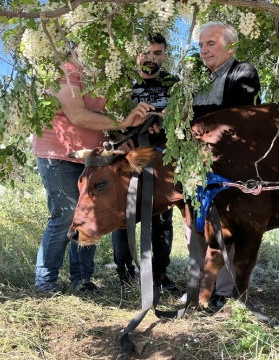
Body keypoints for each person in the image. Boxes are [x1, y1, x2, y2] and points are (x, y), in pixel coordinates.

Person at [33, 59, 156, 294]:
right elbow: (77, 115)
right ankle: (45, 280)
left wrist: (125, 131)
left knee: (91, 212)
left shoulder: (108, 70)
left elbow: (106, 118)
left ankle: (81, 279)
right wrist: (123, 121)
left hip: (94, 156)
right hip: (58, 152)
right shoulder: (65, 67)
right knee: (66, 214)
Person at [190, 22, 261, 306]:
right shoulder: (198, 78)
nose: (204, 51)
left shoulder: (243, 72)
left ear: (230, 45)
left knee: (230, 226)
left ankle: (225, 293)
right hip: (198, 164)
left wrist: (190, 112)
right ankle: (200, 288)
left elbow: (236, 114)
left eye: (211, 44)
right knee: (199, 225)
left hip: (232, 166)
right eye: (201, 45)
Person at [111, 33, 180, 291]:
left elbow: (183, 117)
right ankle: (125, 274)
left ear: (164, 55)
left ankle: (159, 275)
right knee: (124, 214)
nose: (151, 58)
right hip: (128, 155)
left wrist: (164, 121)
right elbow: (110, 118)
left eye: (157, 53)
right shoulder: (122, 82)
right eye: (146, 52)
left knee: (162, 215)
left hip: (163, 156)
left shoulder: (173, 83)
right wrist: (119, 137)